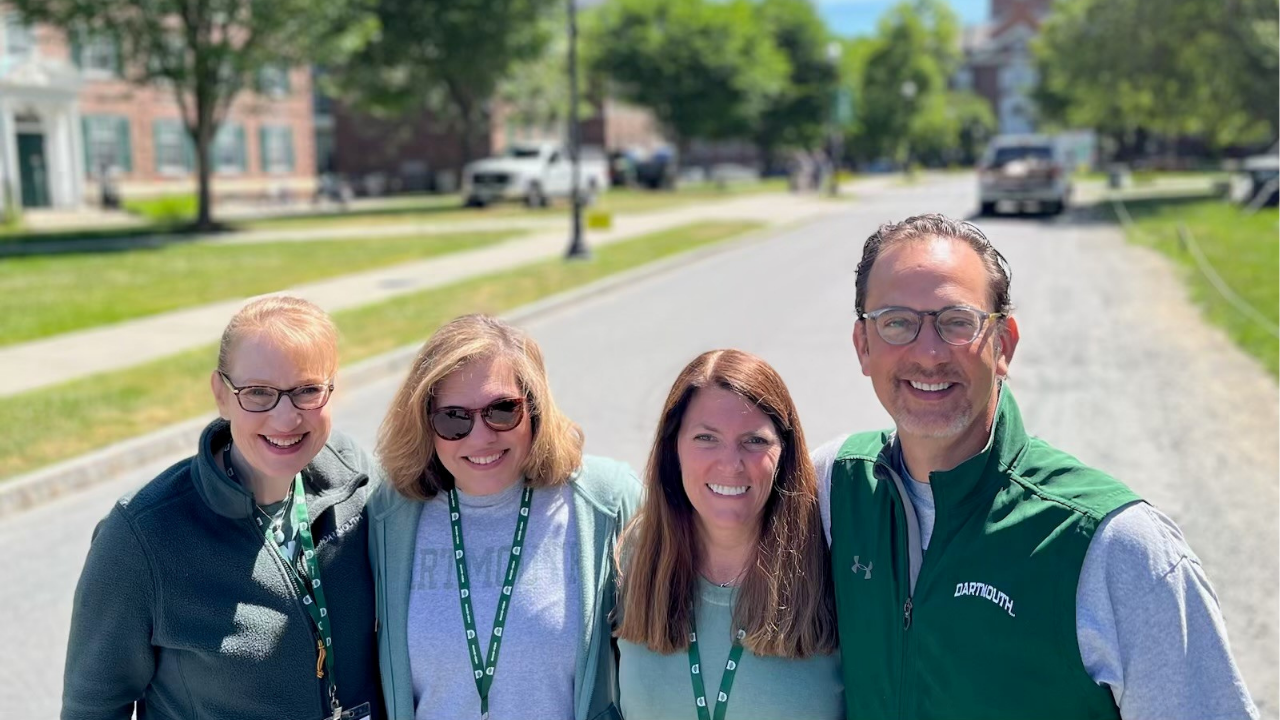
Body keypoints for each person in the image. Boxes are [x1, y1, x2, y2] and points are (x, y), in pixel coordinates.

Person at [814, 213, 1257, 719]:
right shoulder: (831, 489)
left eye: (958, 322)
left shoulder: (1113, 547)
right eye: (897, 323)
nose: (929, 353)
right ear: (863, 346)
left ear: (1003, 345)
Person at [62, 295, 383, 720]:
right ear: (221, 394)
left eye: (307, 390)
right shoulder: (143, 535)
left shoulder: (356, 479)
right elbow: (93, 709)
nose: (286, 418)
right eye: (258, 393)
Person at [369, 314, 642, 720]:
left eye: (502, 410)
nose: (481, 437)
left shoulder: (606, 502)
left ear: (533, 409)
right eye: (454, 418)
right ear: (425, 423)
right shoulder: (388, 518)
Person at [616, 349, 842, 720]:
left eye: (754, 441)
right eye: (707, 438)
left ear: (784, 453)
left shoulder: (830, 564)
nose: (731, 463)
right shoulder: (635, 560)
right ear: (674, 449)